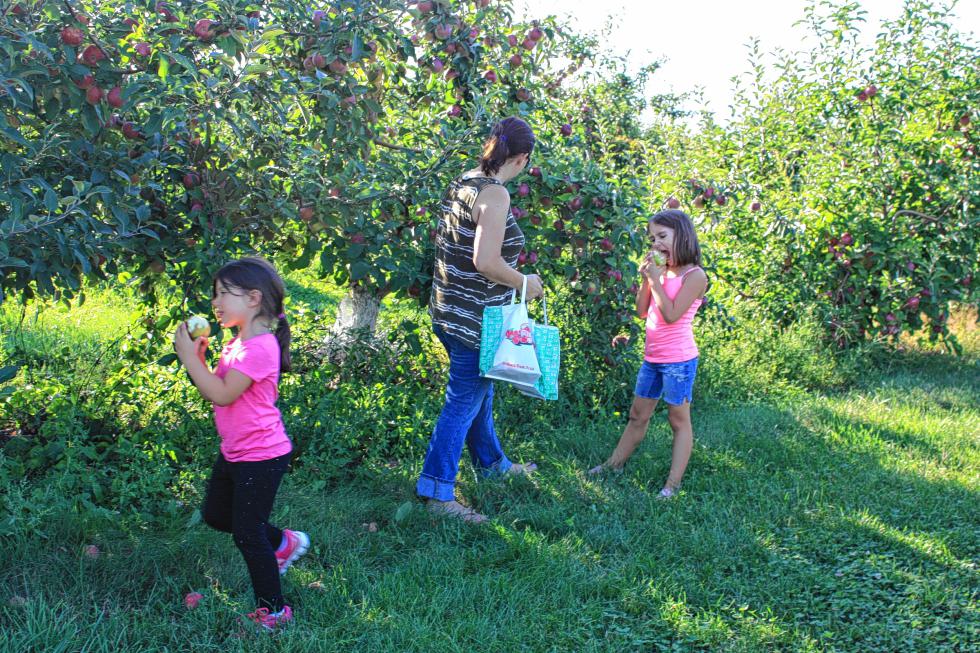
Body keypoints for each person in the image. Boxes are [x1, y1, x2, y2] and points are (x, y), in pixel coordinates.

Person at [418, 116, 544, 523]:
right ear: (521, 158)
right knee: (463, 400)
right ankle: (437, 492)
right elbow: (485, 261)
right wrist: (526, 283)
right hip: (474, 320)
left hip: (448, 308)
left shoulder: (464, 182)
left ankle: (492, 465)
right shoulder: (495, 195)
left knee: (479, 396)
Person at [173, 257, 308, 631]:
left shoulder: (261, 348)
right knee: (217, 515)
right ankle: (282, 543)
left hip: (261, 455)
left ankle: (274, 612)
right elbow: (218, 389)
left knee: (248, 535)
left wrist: (189, 360)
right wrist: (200, 359)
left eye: (222, 294)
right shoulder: (237, 343)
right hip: (236, 450)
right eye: (214, 295)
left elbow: (222, 394)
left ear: (252, 298)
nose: (215, 302)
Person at [589, 210, 707, 499]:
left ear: (683, 235)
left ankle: (672, 485)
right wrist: (647, 279)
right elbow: (642, 311)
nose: (656, 244)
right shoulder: (661, 272)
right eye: (653, 239)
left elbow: (670, 314)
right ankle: (613, 465)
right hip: (653, 358)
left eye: (662, 237)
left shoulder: (695, 276)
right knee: (637, 414)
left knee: (678, 420)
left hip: (678, 360)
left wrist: (655, 280)